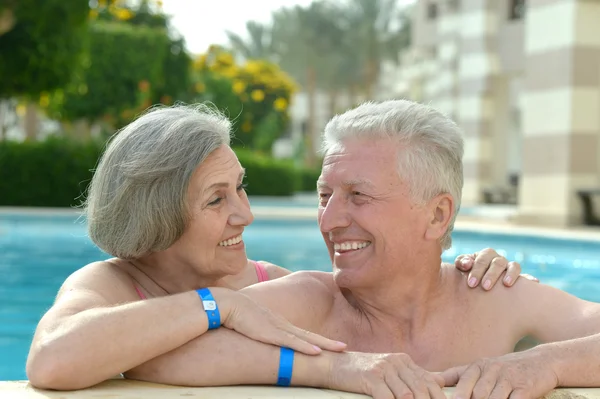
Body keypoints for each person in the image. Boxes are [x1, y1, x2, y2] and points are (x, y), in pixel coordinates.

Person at [115, 101, 600, 399]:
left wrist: (547, 363)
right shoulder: (309, 302)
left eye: (358, 196)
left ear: (436, 214)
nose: (329, 221)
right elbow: (149, 357)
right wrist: (332, 368)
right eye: (325, 196)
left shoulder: (496, 296)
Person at [26, 104, 521, 391]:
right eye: (217, 199)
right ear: (156, 213)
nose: (245, 214)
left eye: (241, 188)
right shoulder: (108, 285)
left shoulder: (275, 286)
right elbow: (51, 361)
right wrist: (215, 305)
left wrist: (456, 275)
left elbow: (396, 326)